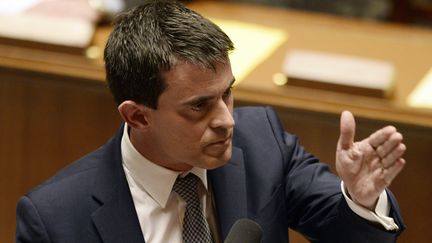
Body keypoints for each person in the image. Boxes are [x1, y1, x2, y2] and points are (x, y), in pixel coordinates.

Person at [16, 1, 407, 242]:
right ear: (137, 115)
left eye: (227, 93)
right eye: (199, 106)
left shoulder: (262, 143)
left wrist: (359, 197)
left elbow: (350, 234)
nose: (226, 121)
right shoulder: (56, 220)